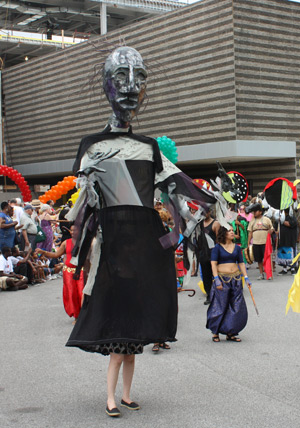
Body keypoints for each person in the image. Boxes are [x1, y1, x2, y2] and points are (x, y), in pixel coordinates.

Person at [65, 46, 217, 418]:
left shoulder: (149, 149)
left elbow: (177, 189)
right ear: (105, 84)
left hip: (144, 245)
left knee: (135, 330)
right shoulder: (93, 147)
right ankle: (111, 397)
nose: (132, 86)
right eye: (121, 76)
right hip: (113, 246)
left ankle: (125, 394)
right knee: (116, 323)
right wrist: (77, 252)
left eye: (140, 77)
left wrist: (206, 208)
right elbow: (84, 206)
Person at [206, 227, 249, 342]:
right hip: (222, 279)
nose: (232, 232)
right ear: (223, 233)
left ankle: (231, 331)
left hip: (236, 278)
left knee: (236, 305)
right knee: (220, 305)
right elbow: (213, 264)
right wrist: (216, 278)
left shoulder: (237, 248)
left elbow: (241, 263)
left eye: (232, 231)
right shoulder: (217, 248)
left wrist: (246, 277)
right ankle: (215, 331)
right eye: (229, 230)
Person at [37, 225, 85, 321]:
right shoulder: (65, 243)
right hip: (68, 272)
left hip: (81, 271)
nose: (72, 232)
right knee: (71, 294)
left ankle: (83, 316)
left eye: (74, 230)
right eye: (71, 230)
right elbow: (56, 255)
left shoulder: (84, 242)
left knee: (81, 293)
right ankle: (76, 316)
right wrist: (44, 252)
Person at [198, 209, 219, 305]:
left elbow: (219, 240)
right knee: (206, 276)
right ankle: (209, 295)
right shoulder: (199, 224)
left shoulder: (215, 223)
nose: (203, 214)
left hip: (213, 253)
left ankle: (219, 295)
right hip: (203, 253)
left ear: (209, 212)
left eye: (205, 212)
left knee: (216, 275)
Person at [247, 204, 273, 280]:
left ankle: (268, 273)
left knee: (267, 258)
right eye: (253, 211)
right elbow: (250, 232)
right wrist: (248, 243)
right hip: (256, 243)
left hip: (265, 243)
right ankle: (261, 274)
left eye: (255, 211)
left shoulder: (266, 219)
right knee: (259, 259)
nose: (254, 213)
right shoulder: (252, 221)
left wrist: (271, 231)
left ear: (260, 212)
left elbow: (271, 228)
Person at [276, 210, 298, 275]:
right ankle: (284, 269)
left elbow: (290, 224)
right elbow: (275, 227)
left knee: (291, 255)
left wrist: (281, 221)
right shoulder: (279, 218)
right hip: (282, 240)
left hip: (290, 240)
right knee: (283, 255)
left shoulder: (292, 217)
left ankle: (292, 269)